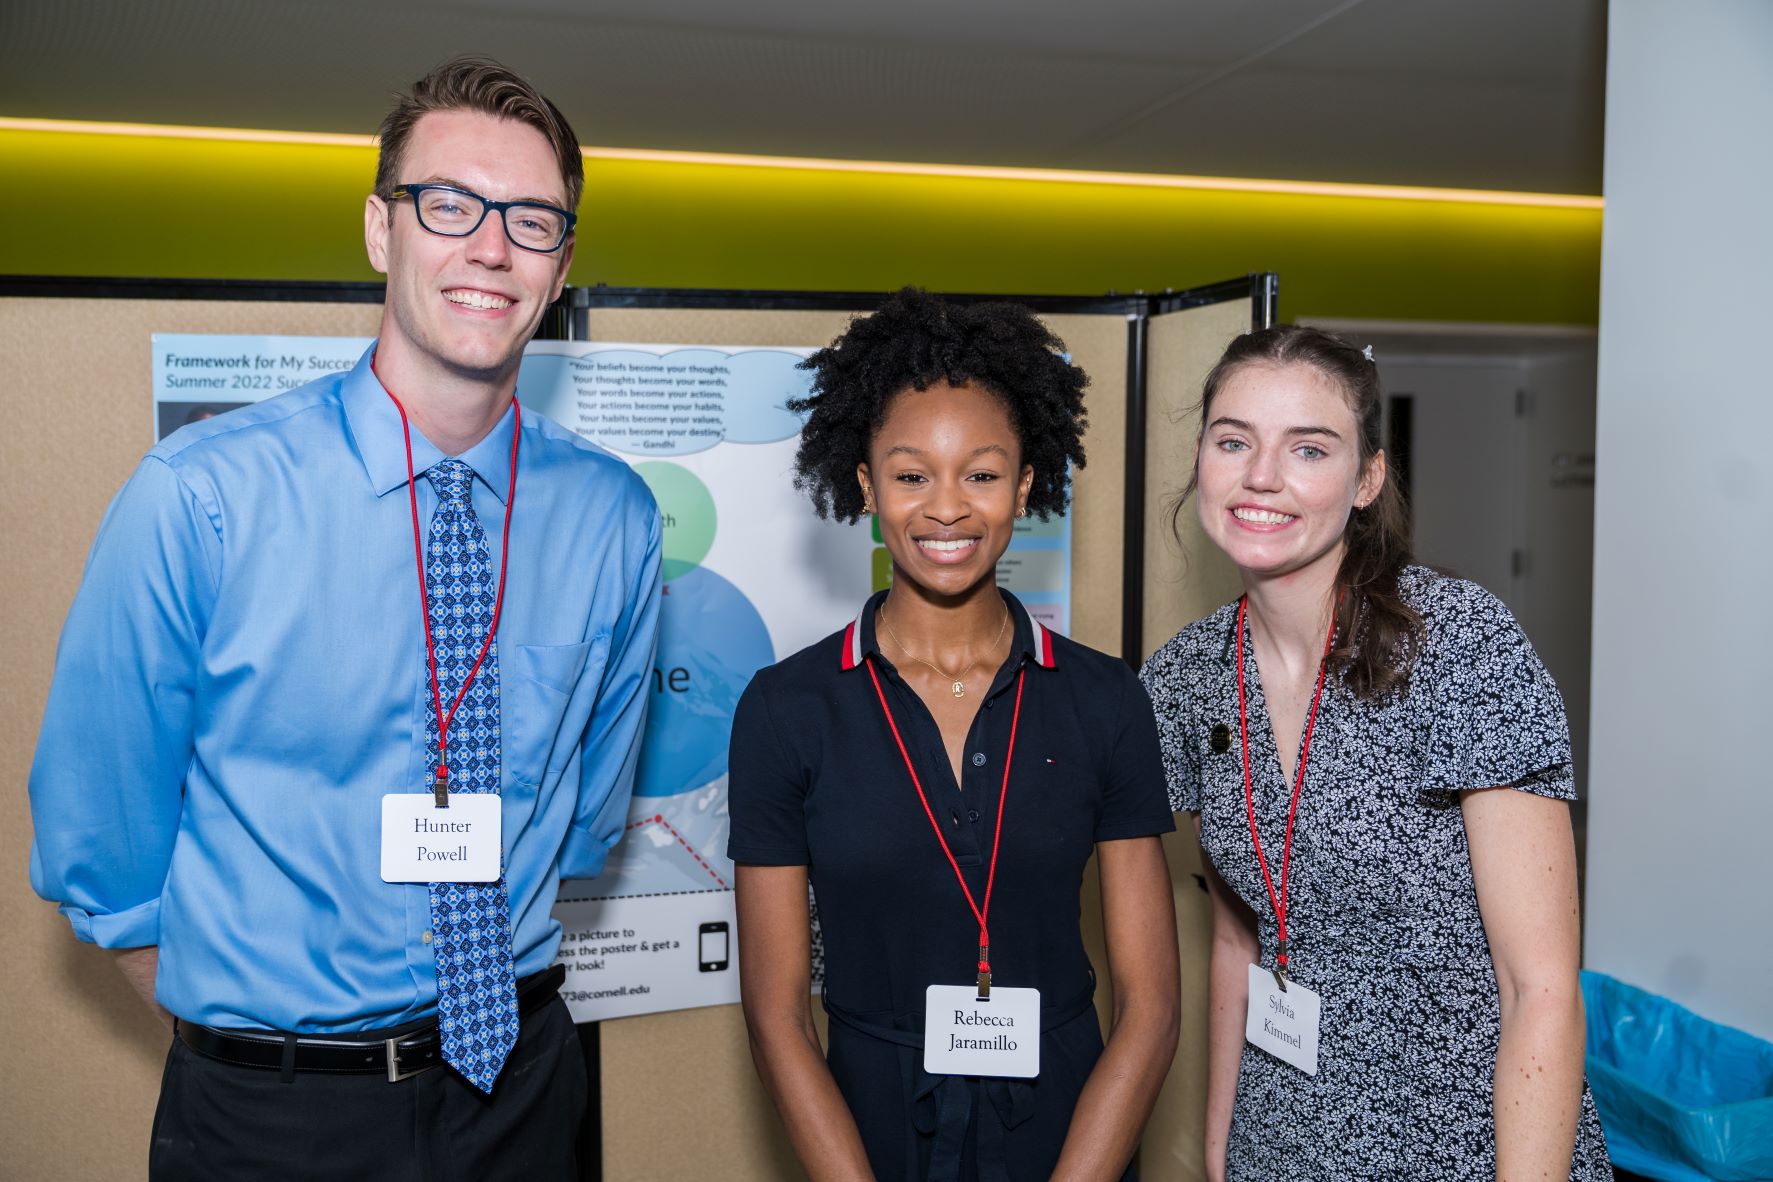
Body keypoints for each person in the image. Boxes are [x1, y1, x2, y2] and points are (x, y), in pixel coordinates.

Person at [28, 57, 661, 1180]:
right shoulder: (204, 499)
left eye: (533, 220)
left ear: (564, 263)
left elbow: (584, 822)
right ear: (382, 230)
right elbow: (104, 847)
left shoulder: (613, 517)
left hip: (520, 1091)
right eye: (451, 205)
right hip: (274, 1117)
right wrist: (265, 1038)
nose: (491, 247)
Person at [1139, 325, 1611, 1180]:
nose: (1260, 477)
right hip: (1281, 1139)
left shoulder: (1460, 647)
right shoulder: (1183, 677)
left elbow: (1538, 989)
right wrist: (1220, 1151)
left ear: (1366, 478)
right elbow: (1243, 941)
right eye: (1232, 439)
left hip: (1462, 1141)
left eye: (1308, 449)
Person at [729, 289, 1181, 1182]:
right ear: (863, 484)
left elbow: (1153, 1003)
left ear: (1024, 485)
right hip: (867, 1132)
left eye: (980, 473)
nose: (946, 509)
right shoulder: (786, 709)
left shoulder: (1103, 698)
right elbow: (776, 1016)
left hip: (1070, 1128)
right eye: (909, 475)